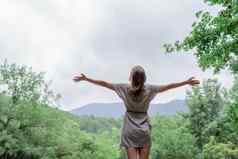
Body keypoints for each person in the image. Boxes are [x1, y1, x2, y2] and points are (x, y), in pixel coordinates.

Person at [73, 65, 200, 159]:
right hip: (144, 130)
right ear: (144, 78)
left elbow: (104, 84)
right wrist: (186, 82)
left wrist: (87, 79)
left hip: (129, 130)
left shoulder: (123, 88)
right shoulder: (150, 89)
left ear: (131, 77)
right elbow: (169, 86)